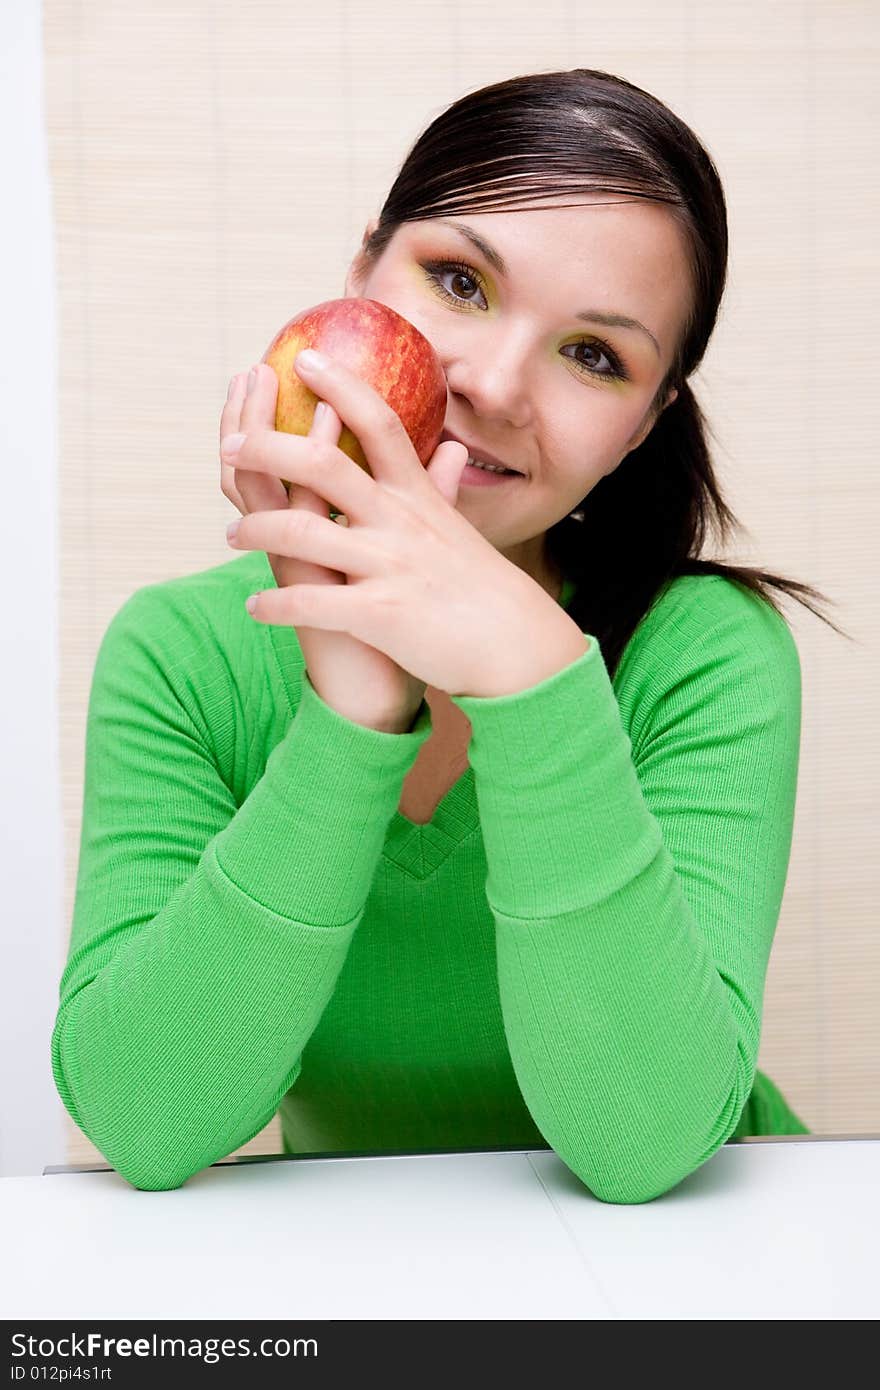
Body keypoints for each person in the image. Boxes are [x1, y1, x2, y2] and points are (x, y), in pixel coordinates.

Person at [51, 69, 847, 1202]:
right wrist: (351, 719)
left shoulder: (701, 654)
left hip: (697, 1269)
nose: (491, 382)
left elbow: (642, 1147)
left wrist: (539, 685)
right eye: (459, 281)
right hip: (362, 1272)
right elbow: (144, 1118)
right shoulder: (184, 655)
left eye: (593, 355)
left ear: (646, 423)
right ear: (360, 274)